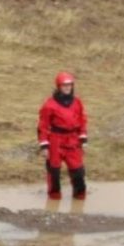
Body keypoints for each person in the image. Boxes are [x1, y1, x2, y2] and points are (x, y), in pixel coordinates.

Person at [38, 72, 88, 200]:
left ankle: (79, 197)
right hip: (56, 139)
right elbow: (43, 126)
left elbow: (82, 119)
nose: (67, 88)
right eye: (64, 85)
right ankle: (54, 198)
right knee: (54, 170)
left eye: (69, 85)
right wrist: (44, 146)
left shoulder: (77, 102)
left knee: (78, 170)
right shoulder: (49, 105)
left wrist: (83, 138)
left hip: (73, 139)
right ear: (59, 86)